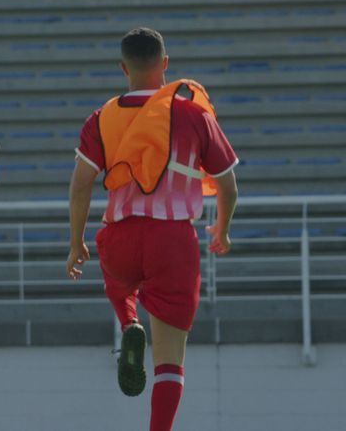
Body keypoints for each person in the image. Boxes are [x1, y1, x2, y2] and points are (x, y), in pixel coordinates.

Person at [67, 27, 239, 431]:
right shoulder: (193, 114)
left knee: (115, 276)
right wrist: (222, 228)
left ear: (123, 68)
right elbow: (228, 184)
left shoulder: (101, 118)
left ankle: (129, 324)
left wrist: (75, 242)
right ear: (165, 65)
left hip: (122, 235)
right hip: (173, 240)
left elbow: (80, 185)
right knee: (170, 360)